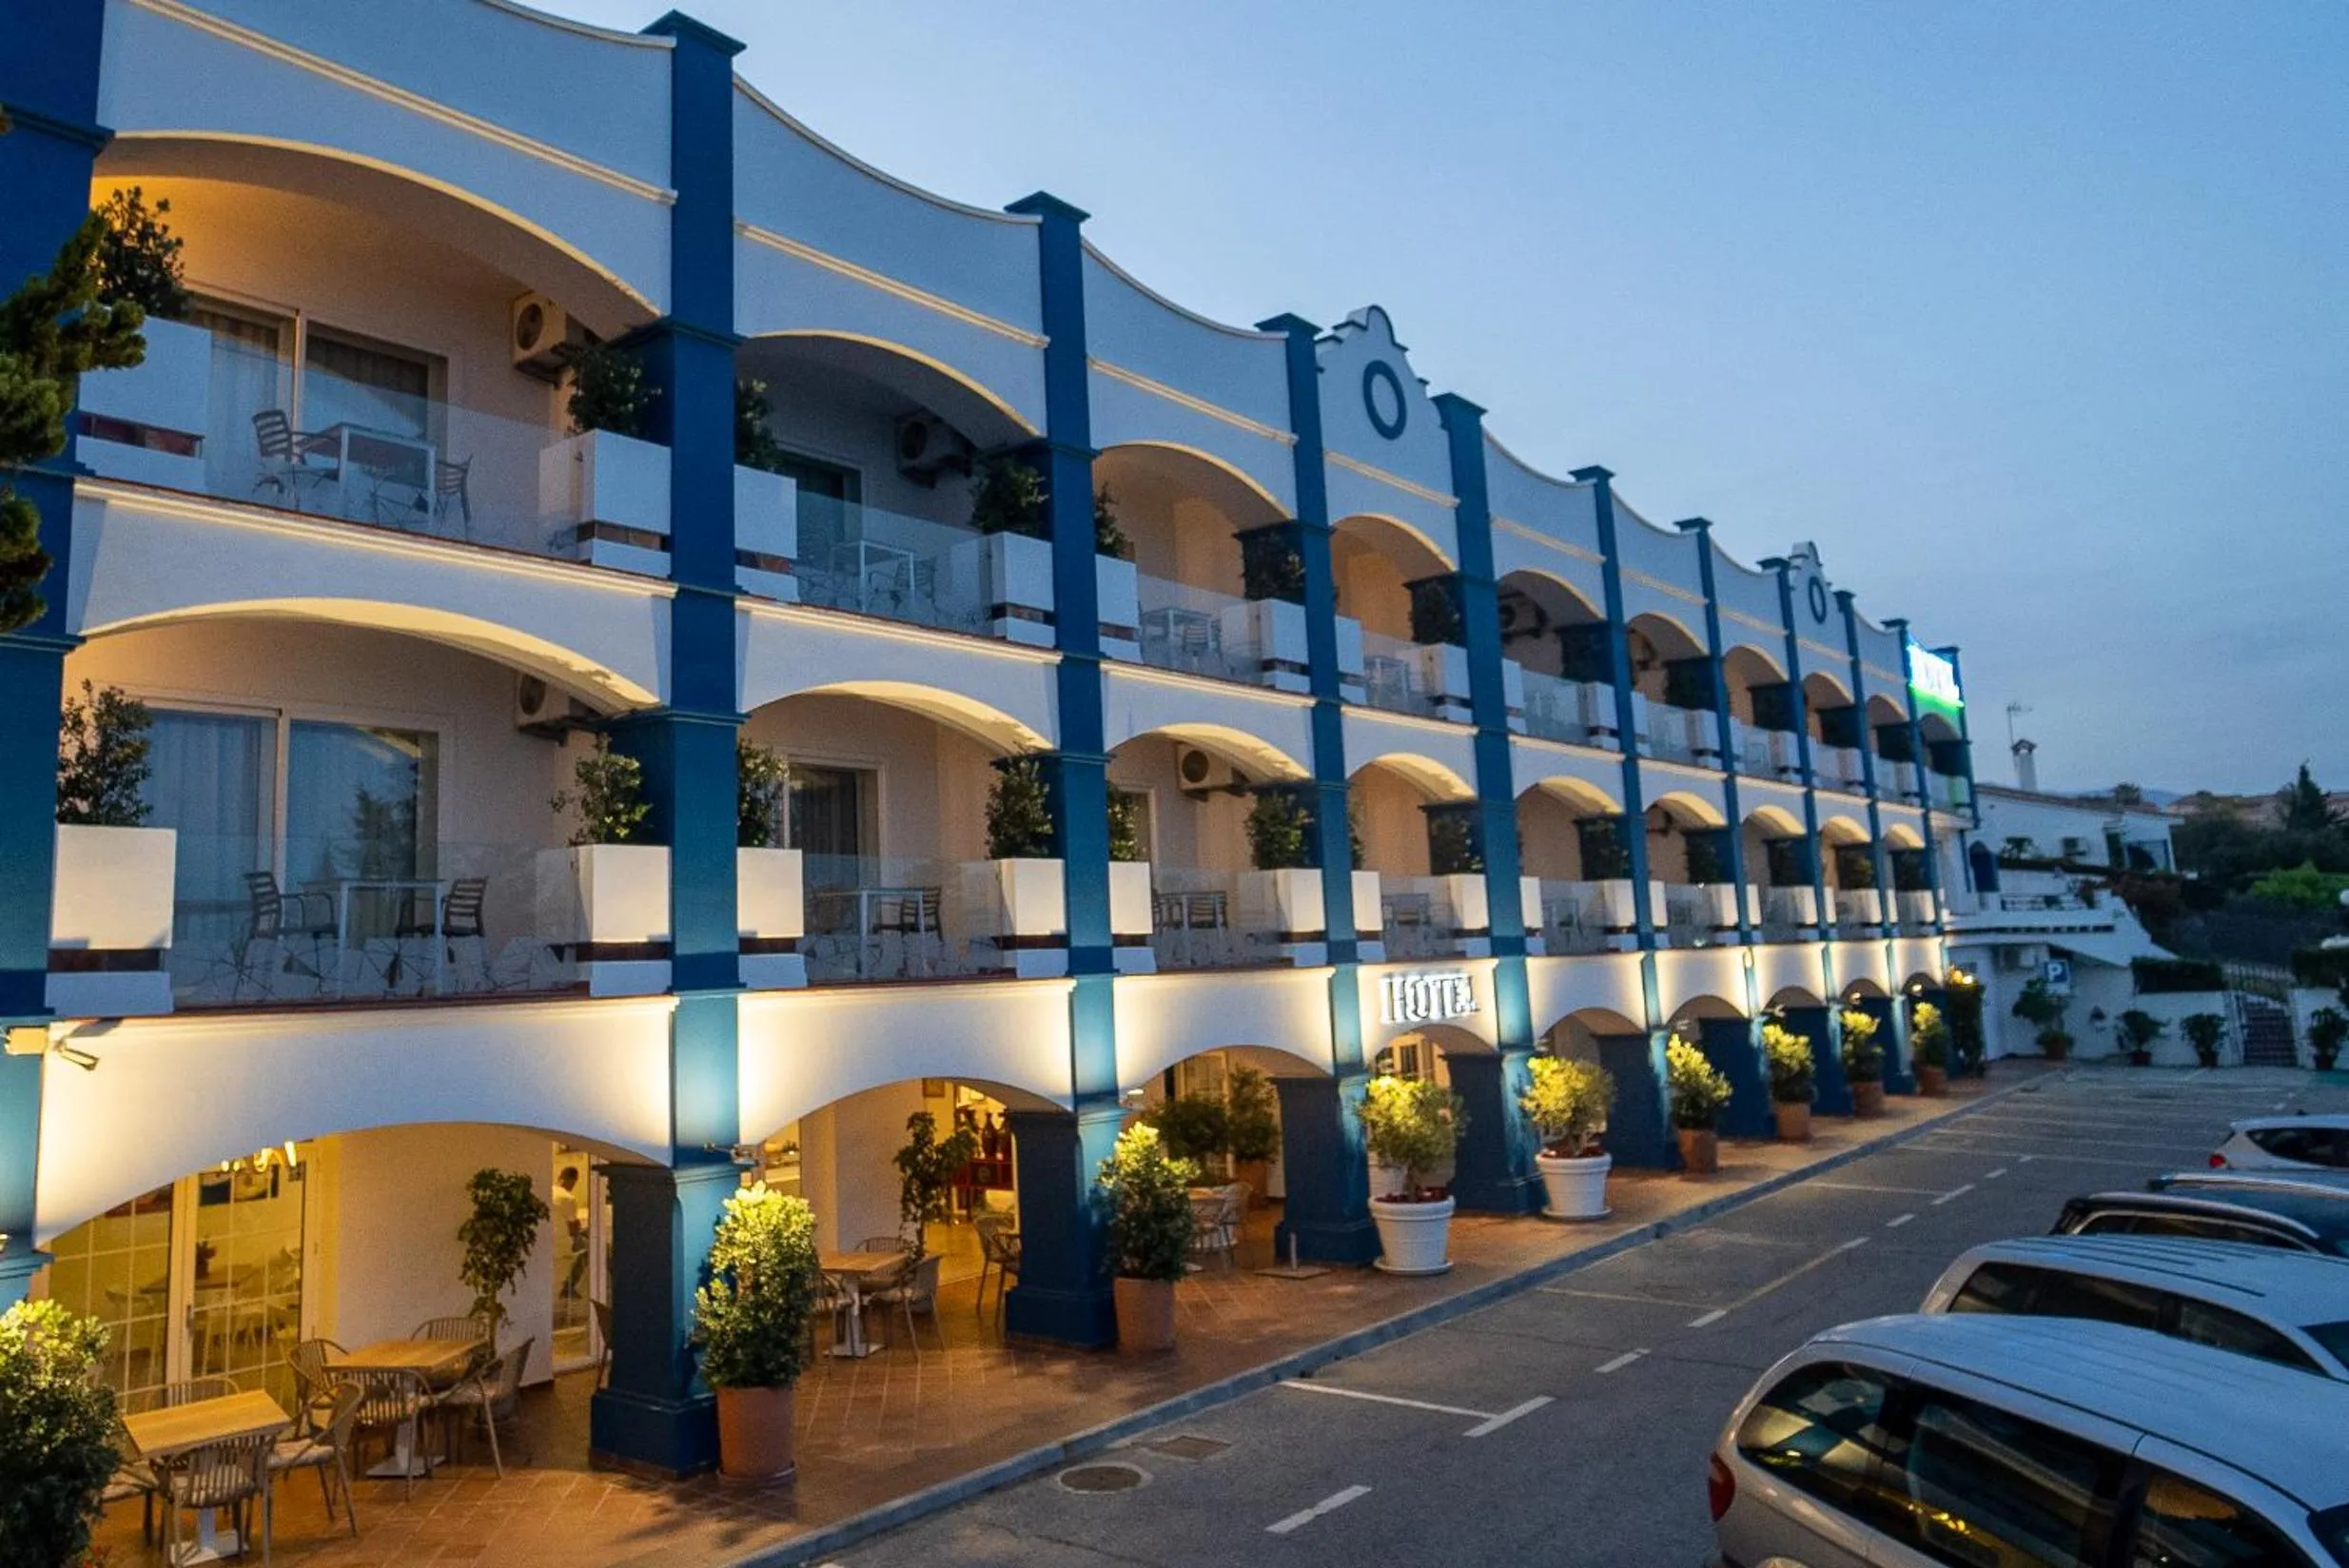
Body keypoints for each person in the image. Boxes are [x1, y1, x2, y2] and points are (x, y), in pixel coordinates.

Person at [554, 1166, 588, 1299]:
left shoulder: (549, 1191)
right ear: (573, 1181)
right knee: (588, 1248)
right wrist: (578, 1227)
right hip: (563, 1242)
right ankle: (569, 1286)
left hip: (550, 1236)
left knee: (586, 1233)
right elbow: (573, 1230)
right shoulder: (568, 1198)